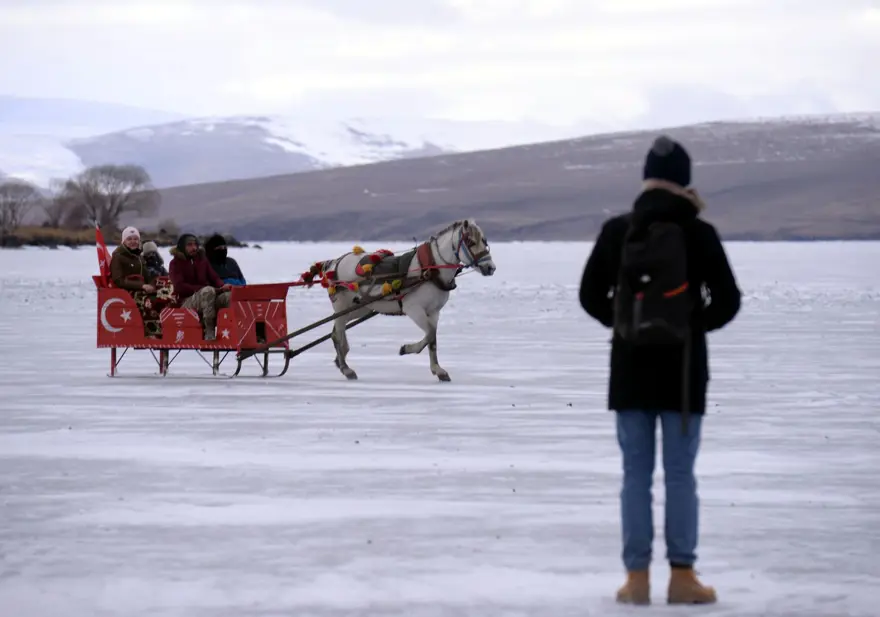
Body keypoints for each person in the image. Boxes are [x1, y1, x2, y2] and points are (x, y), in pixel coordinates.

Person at [579, 136, 741, 606]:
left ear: (646, 177)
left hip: (629, 373)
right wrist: (690, 327)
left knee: (634, 475)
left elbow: (590, 296)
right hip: (684, 375)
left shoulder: (618, 230)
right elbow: (728, 301)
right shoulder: (699, 233)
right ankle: (683, 577)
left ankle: (637, 580)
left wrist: (626, 324)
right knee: (680, 475)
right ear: (685, 181)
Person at [169, 233, 232, 340]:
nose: (194, 248)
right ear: (182, 247)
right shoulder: (175, 263)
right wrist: (201, 289)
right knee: (207, 291)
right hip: (186, 302)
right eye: (189, 245)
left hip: (207, 297)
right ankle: (209, 330)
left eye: (195, 244)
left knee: (228, 296)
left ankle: (230, 330)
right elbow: (180, 287)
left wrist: (223, 286)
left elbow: (214, 278)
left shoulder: (202, 260)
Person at [109, 226, 161, 338]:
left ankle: (163, 328)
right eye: (130, 239)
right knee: (148, 301)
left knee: (163, 297)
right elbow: (118, 280)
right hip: (127, 293)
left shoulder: (139, 257)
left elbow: (148, 276)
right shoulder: (118, 257)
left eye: (135, 239)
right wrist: (142, 286)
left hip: (141, 290)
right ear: (124, 241)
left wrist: (153, 285)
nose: (133, 241)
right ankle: (149, 331)